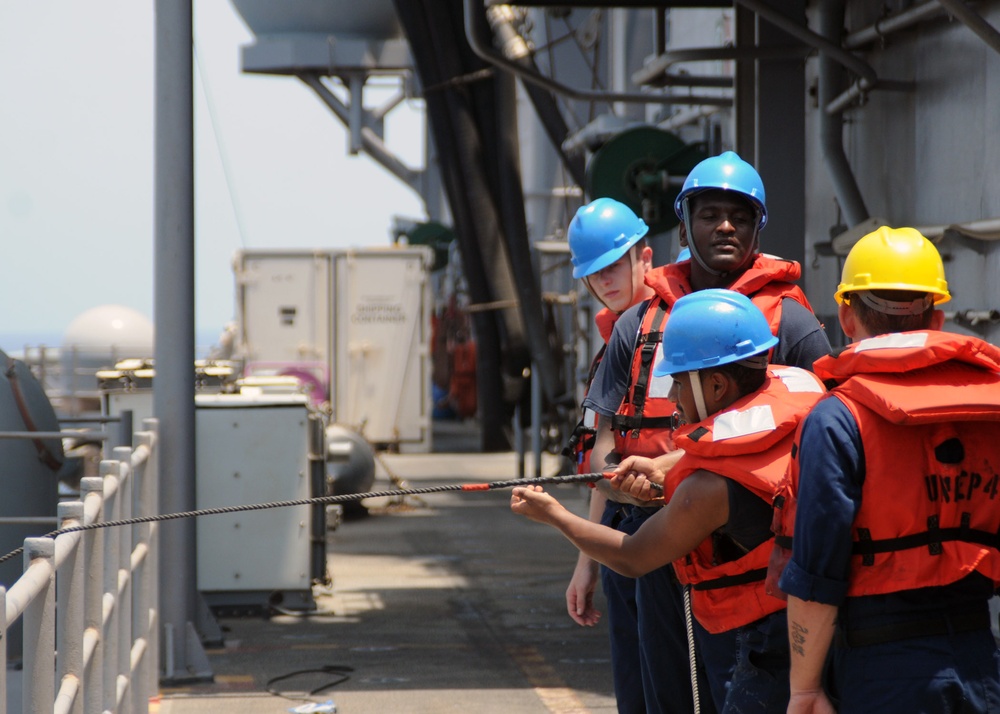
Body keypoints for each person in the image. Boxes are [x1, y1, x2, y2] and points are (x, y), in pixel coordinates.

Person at [582, 151, 832, 710]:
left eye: (739, 217)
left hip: (751, 555)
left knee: (738, 692)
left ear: (757, 227)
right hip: (652, 542)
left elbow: (830, 436)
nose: (724, 226)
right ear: (685, 222)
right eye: (710, 213)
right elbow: (601, 449)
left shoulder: (790, 323)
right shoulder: (638, 323)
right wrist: (619, 486)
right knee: (662, 694)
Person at [513, 289, 826, 713]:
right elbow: (745, 440)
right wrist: (671, 464)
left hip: (757, 648)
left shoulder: (708, 491)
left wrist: (555, 516)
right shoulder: (803, 398)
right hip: (818, 637)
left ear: (716, 384)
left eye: (678, 383)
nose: (674, 400)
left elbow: (634, 556)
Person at [773, 226, 1000, 714]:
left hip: (882, 669)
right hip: (982, 661)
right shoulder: (990, 407)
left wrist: (804, 688)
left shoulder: (837, 418)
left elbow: (817, 571)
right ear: (937, 317)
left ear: (847, 316)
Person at [561, 196, 672, 714]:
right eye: (594, 273)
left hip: (678, 529)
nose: (605, 280)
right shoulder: (611, 348)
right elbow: (602, 463)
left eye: (615, 264)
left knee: (672, 687)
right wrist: (588, 563)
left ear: (644, 257)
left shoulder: (684, 328)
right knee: (633, 688)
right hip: (622, 533)